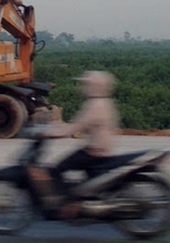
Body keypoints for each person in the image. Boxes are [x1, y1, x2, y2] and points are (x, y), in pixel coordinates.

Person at [35, 70, 121, 217]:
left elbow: (75, 128)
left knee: (57, 169)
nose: (82, 87)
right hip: (102, 151)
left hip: (93, 153)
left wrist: (49, 133)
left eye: (86, 84)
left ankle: (60, 204)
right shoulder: (106, 102)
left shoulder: (95, 105)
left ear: (95, 86)